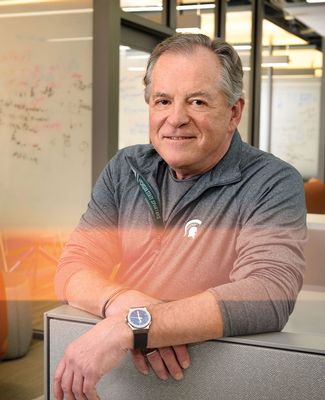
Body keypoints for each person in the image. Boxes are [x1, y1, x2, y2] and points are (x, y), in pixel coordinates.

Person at [53, 33, 306, 400]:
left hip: (215, 383)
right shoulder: (126, 168)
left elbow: (267, 293)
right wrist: (129, 308)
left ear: (234, 111)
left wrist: (135, 327)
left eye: (198, 101)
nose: (176, 118)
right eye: (163, 100)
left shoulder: (271, 182)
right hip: (118, 378)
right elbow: (72, 268)